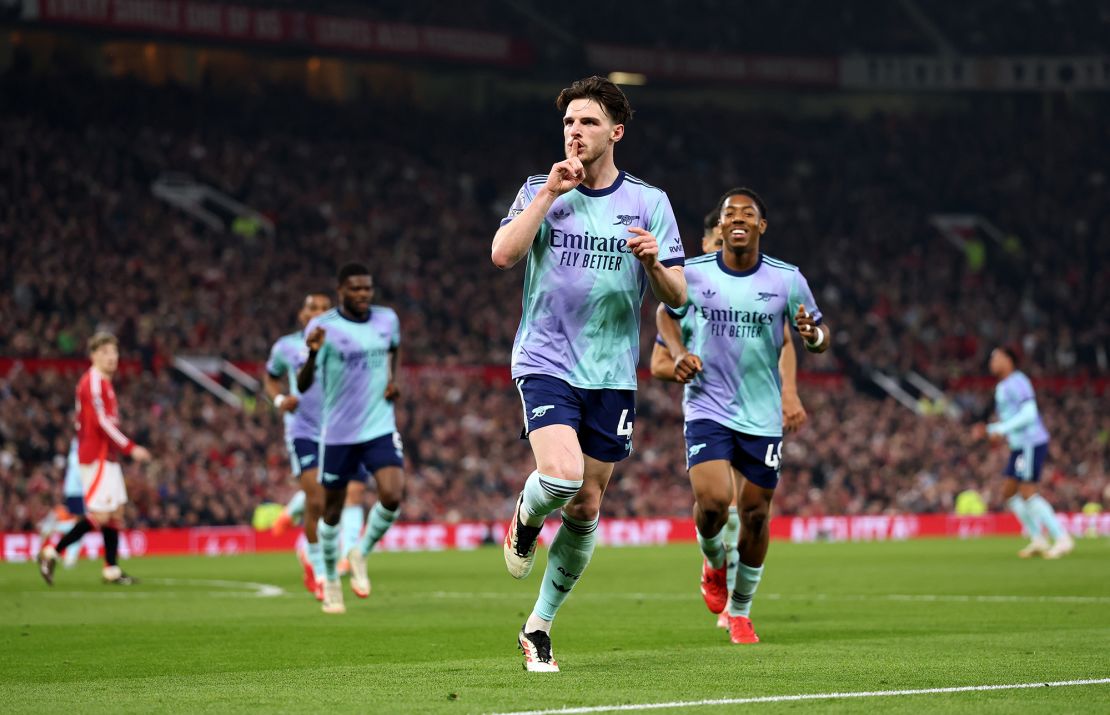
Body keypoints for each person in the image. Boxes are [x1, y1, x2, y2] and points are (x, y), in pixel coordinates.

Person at [492, 75, 687, 672]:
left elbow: (678, 297)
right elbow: (503, 254)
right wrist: (549, 195)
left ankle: (539, 626)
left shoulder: (649, 202)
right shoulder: (539, 188)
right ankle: (524, 522)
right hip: (546, 361)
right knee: (562, 476)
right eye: (569, 122)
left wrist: (654, 262)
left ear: (616, 132)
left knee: (585, 504)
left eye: (589, 123)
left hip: (610, 374)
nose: (575, 132)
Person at [657, 187, 830, 645]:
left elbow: (815, 334)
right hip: (707, 407)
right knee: (713, 504)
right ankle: (713, 562)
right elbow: (664, 313)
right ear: (719, 227)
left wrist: (813, 337)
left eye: (747, 213)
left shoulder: (786, 279)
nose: (737, 218)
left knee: (755, 516)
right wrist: (677, 353)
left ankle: (741, 610)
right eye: (729, 213)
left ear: (761, 226)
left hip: (761, 415)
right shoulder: (691, 274)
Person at [298, 263, 405, 614]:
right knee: (330, 513)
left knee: (391, 494)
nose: (363, 295)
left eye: (367, 289)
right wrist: (313, 353)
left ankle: (360, 551)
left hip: (379, 424)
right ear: (341, 290)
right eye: (356, 289)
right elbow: (302, 384)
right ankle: (329, 577)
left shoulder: (387, 319)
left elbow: (394, 350)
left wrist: (392, 380)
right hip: (339, 434)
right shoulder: (323, 327)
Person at [37, 332, 152, 585]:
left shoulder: (103, 382)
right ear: (93, 356)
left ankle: (111, 569)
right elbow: (102, 422)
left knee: (116, 512)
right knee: (100, 515)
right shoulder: (95, 381)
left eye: (114, 352)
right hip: (96, 455)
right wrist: (130, 447)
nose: (111, 358)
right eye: (105, 353)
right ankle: (52, 552)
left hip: (106, 455)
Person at [973, 346, 1073, 559]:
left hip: (1030, 442)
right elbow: (1010, 419)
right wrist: (991, 430)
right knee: (1009, 492)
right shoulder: (1003, 386)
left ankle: (1062, 538)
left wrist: (1000, 429)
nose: (992, 362)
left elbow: (1029, 414)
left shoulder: (1018, 382)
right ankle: (1038, 538)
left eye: (996, 358)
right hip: (1019, 445)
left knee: (1027, 492)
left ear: (1009, 360)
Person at [265, 291, 333, 599]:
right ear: (302, 315)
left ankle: (306, 549)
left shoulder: (343, 343)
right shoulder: (286, 347)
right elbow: (271, 377)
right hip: (302, 429)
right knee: (315, 496)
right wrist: (280, 399)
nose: (318, 313)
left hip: (337, 430)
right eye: (312, 308)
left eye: (324, 308)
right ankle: (319, 571)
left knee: (329, 499)